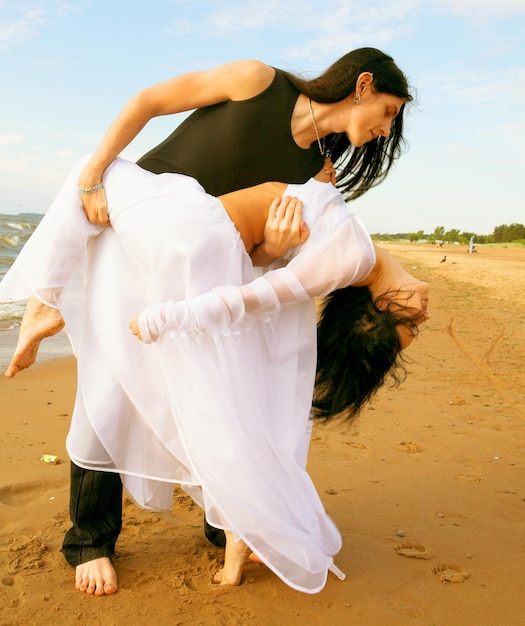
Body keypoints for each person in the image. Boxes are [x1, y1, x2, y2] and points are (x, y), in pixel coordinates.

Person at [12, 46, 416, 595]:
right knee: (106, 391)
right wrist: (93, 171)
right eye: (389, 111)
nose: (385, 130)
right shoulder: (258, 82)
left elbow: (257, 248)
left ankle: (230, 518)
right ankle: (90, 541)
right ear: (363, 84)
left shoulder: (317, 173)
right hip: (133, 226)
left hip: (190, 265)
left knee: (202, 394)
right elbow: (150, 101)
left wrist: (274, 247)